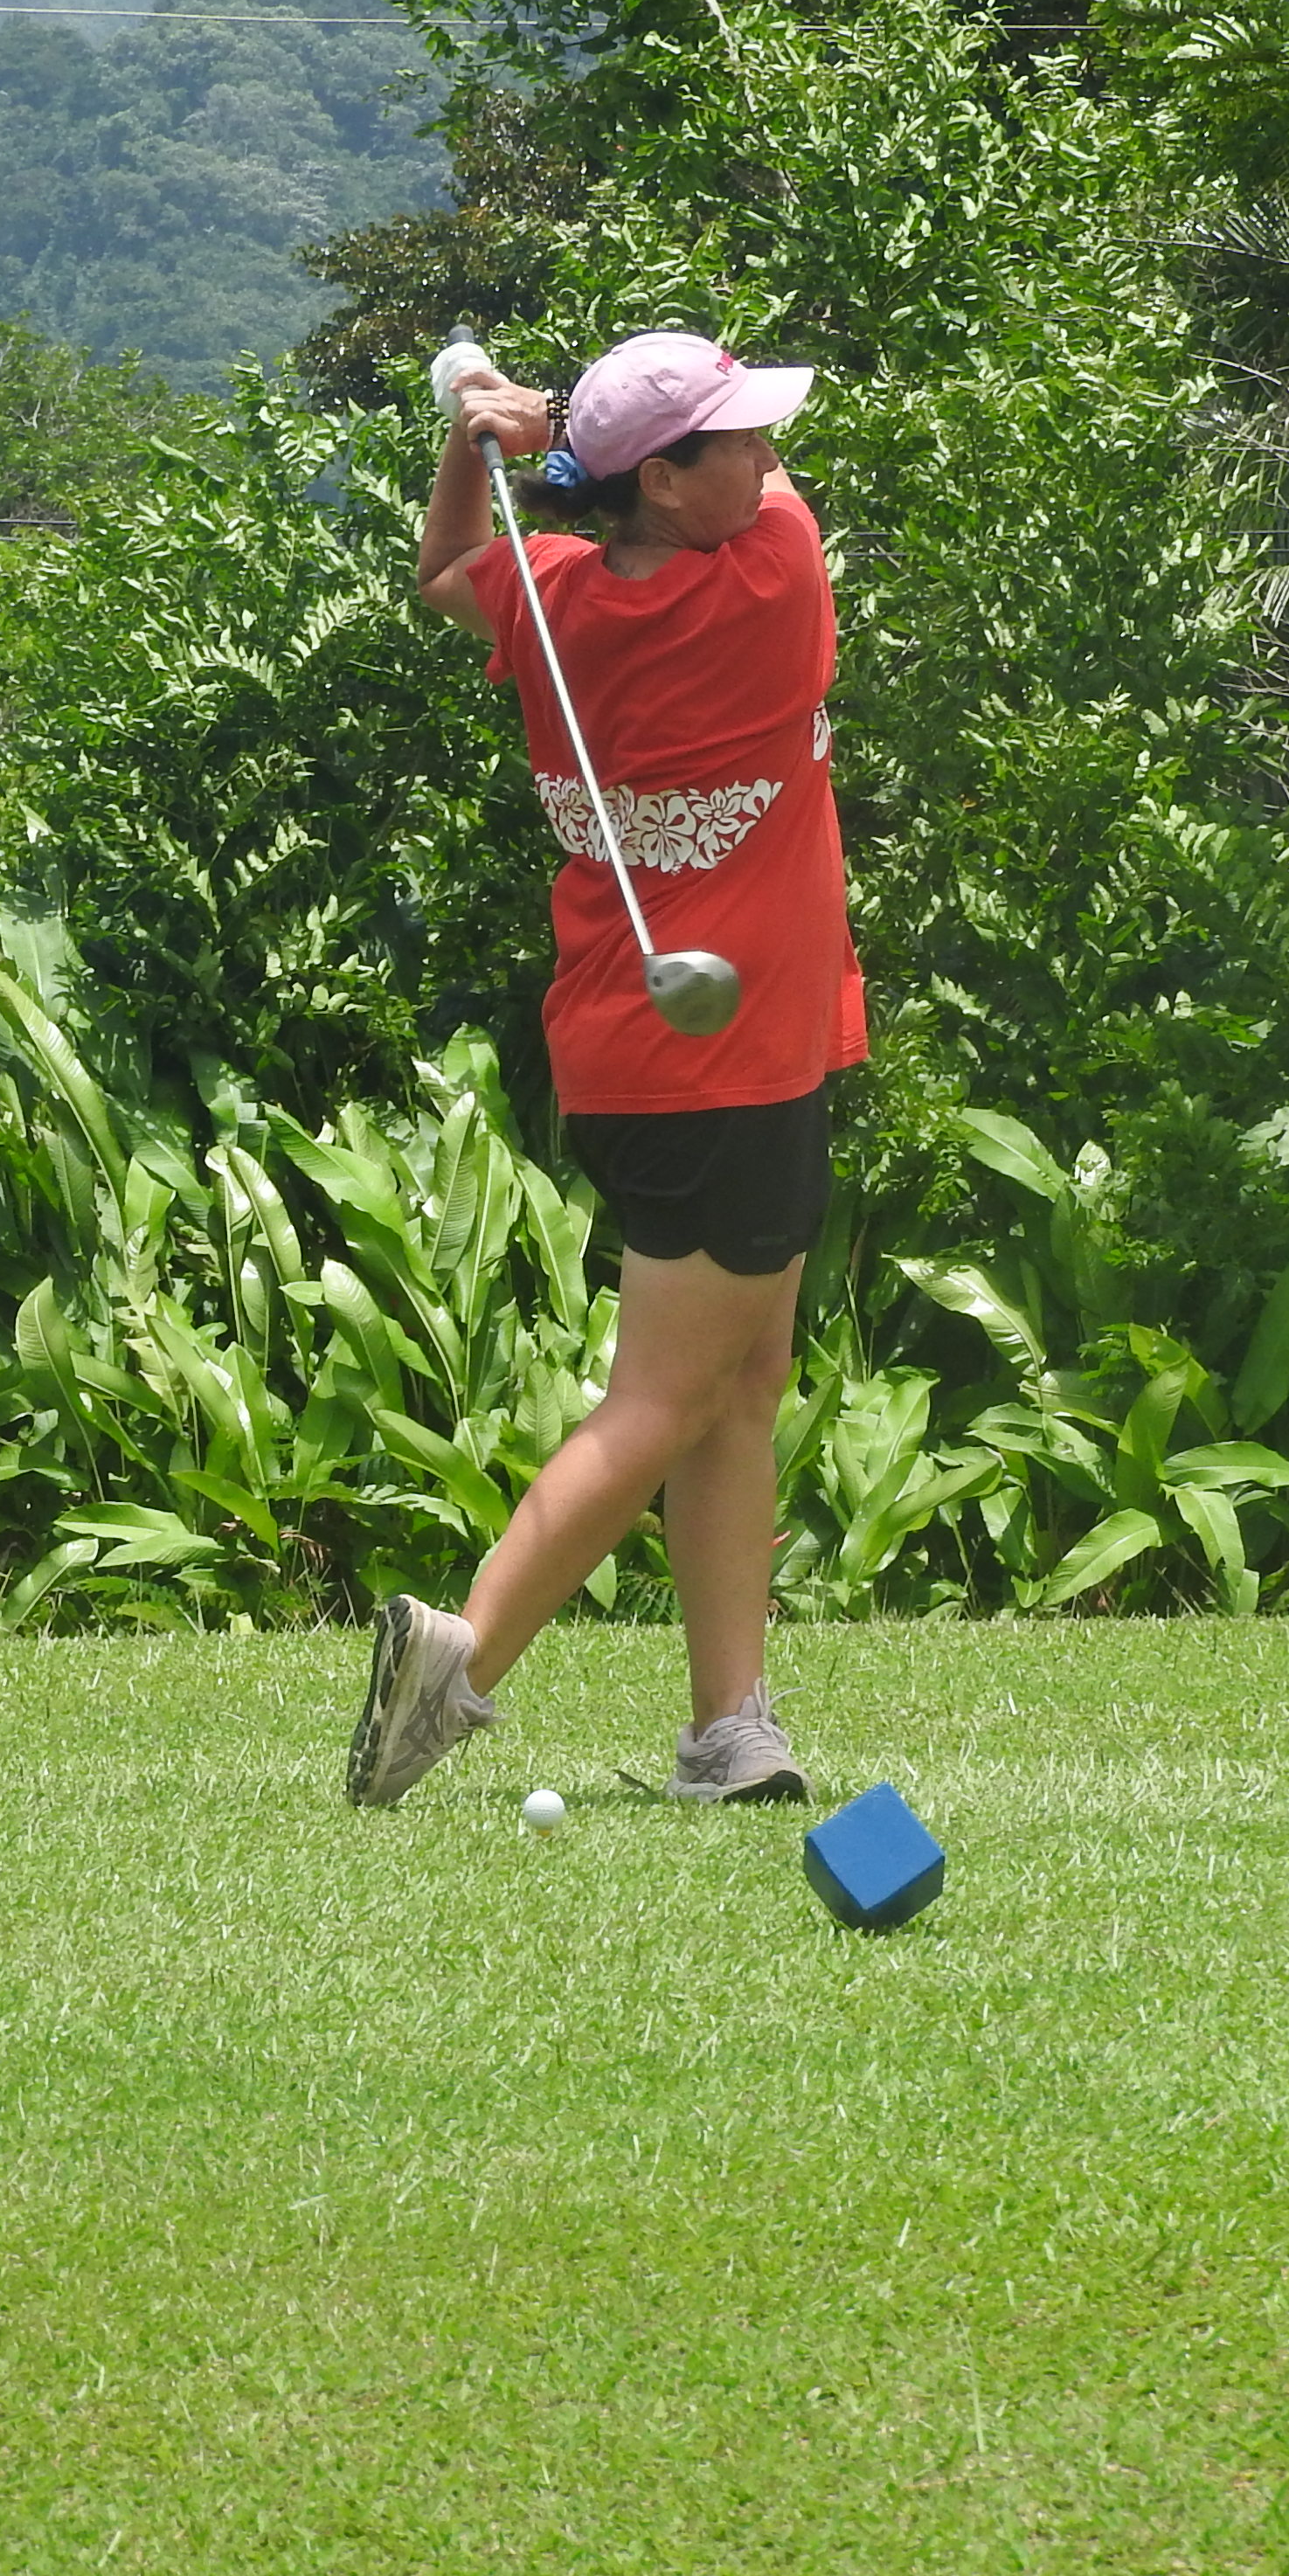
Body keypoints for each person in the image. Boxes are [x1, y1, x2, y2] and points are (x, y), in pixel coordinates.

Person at [343, 329, 866, 1810]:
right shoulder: (774, 573)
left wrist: (478, 443)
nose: (766, 458)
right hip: (738, 1059)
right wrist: (542, 441)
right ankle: (459, 1662)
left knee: (740, 1385)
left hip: (628, 1050)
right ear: (669, 481)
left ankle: (730, 1726)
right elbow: (768, 499)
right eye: (733, 440)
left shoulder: (560, 593)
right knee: (663, 1395)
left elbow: (449, 571)